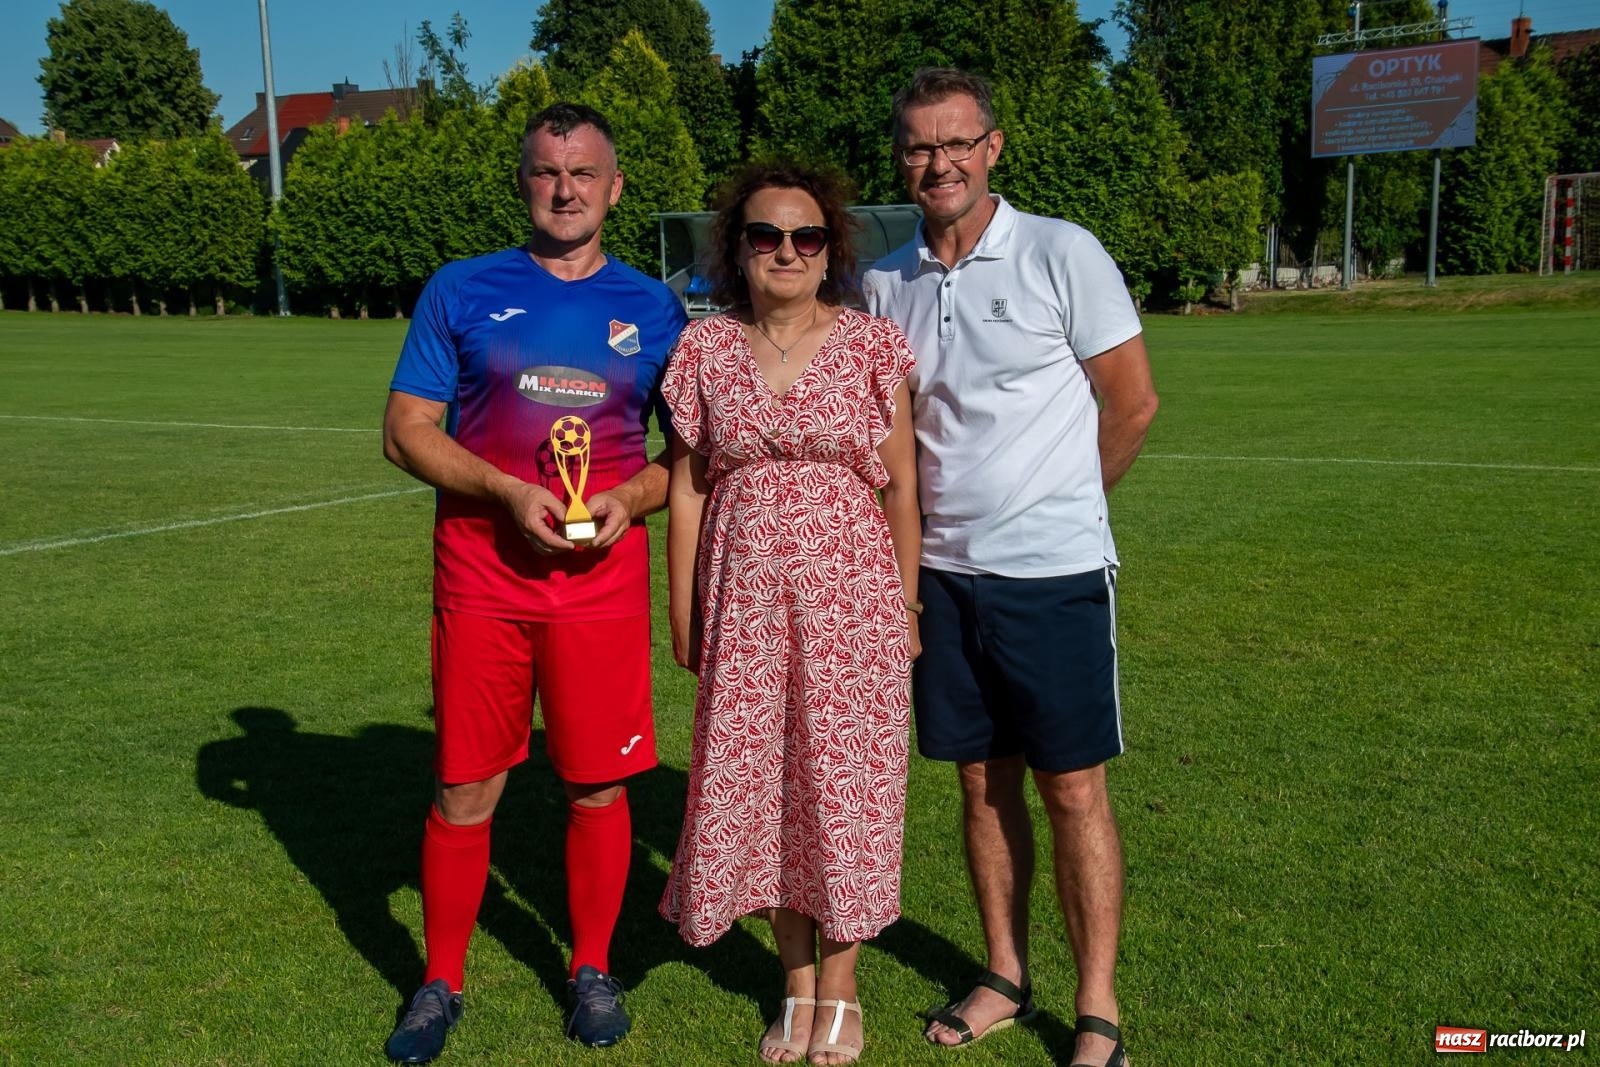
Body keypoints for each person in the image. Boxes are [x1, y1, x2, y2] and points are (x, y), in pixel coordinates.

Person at [379, 102, 687, 1064]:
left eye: (584, 172)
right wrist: (510, 491)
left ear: (615, 188)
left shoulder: (655, 309)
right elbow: (406, 430)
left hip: (599, 591)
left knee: (598, 785)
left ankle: (590, 966)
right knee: (466, 785)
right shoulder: (462, 290)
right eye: (548, 172)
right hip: (481, 583)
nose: (565, 189)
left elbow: (698, 454)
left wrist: (633, 497)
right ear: (524, 182)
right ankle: (440, 980)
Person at [862, 68, 1158, 1067]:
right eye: (916, 145)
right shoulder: (883, 279)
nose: (936, 162)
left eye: (956, 142)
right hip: (940, 577)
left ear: (992, 147)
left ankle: (1097, 1009)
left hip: (1053, 575)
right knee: (981, 785)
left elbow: (1132, 403)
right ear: (899, 157)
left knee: (1071, 790)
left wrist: (1062, 508)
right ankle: (1002, 970)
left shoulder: (1060, 251)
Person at [658, 163, 921, 1066]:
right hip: (744, 604)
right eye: (766, 235)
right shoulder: (704, 351)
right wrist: (684, 604)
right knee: (761, 787)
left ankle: (842, 988)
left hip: (852, 604)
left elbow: (903, 490)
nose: (785, 251)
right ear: (737, 248)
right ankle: (795, 981)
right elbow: (689, 488)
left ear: (829, 250)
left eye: (805, 237)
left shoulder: (873, 345)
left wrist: (909, 602)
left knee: (842, 790)